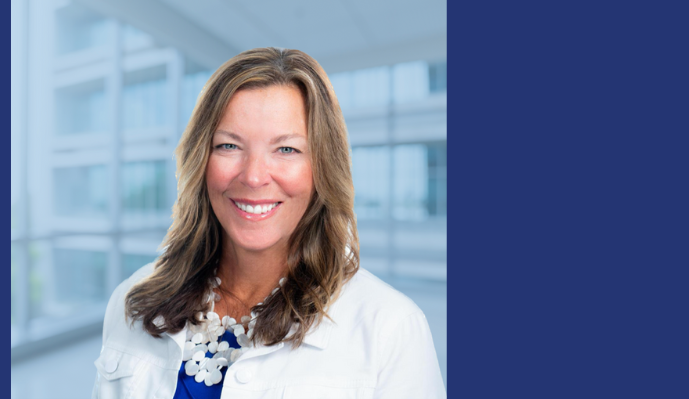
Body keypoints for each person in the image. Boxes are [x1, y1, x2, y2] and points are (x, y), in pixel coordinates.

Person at [92, 47, 446, 399]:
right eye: (229, 146)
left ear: (322, 167)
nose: (254, 177)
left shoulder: (390, 327)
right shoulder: (133, 300)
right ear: (200, 160)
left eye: (287, 149)